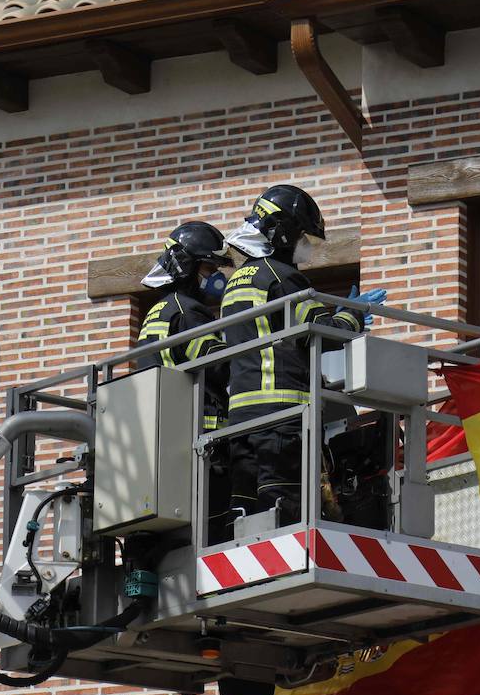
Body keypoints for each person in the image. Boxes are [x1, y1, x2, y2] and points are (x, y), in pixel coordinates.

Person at [219, 185, 386, 525]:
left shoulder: (237, 280)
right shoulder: (284, 277)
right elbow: (325, 335)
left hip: (241, 417)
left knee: (249, 509)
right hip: (281, 414)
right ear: (282, 233)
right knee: (285, 504)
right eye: (302, 235)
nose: (306, 245)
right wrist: (352, 314)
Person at [135, 221, 234, 543]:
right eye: (209, 268)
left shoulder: (160, 311)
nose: (215, 277)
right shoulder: (189, 312)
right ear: (187, 267)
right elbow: (219, 369)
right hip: (201, 442)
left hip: (167, 443)